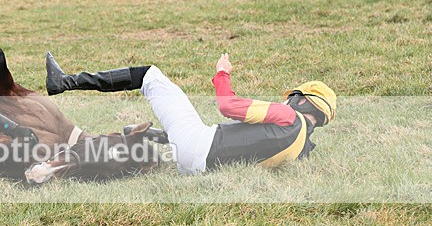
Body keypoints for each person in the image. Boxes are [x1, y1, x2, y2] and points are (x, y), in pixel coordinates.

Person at [45, 52, 336, 175]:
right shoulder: (302, 149)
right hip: (200, 168)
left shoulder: (287, 117)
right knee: (191, 124)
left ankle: (64, 82)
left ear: (301, 101)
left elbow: (227, 106)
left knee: (150, 76)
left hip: (198, 144)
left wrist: (222, 73)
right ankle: (153, 135)